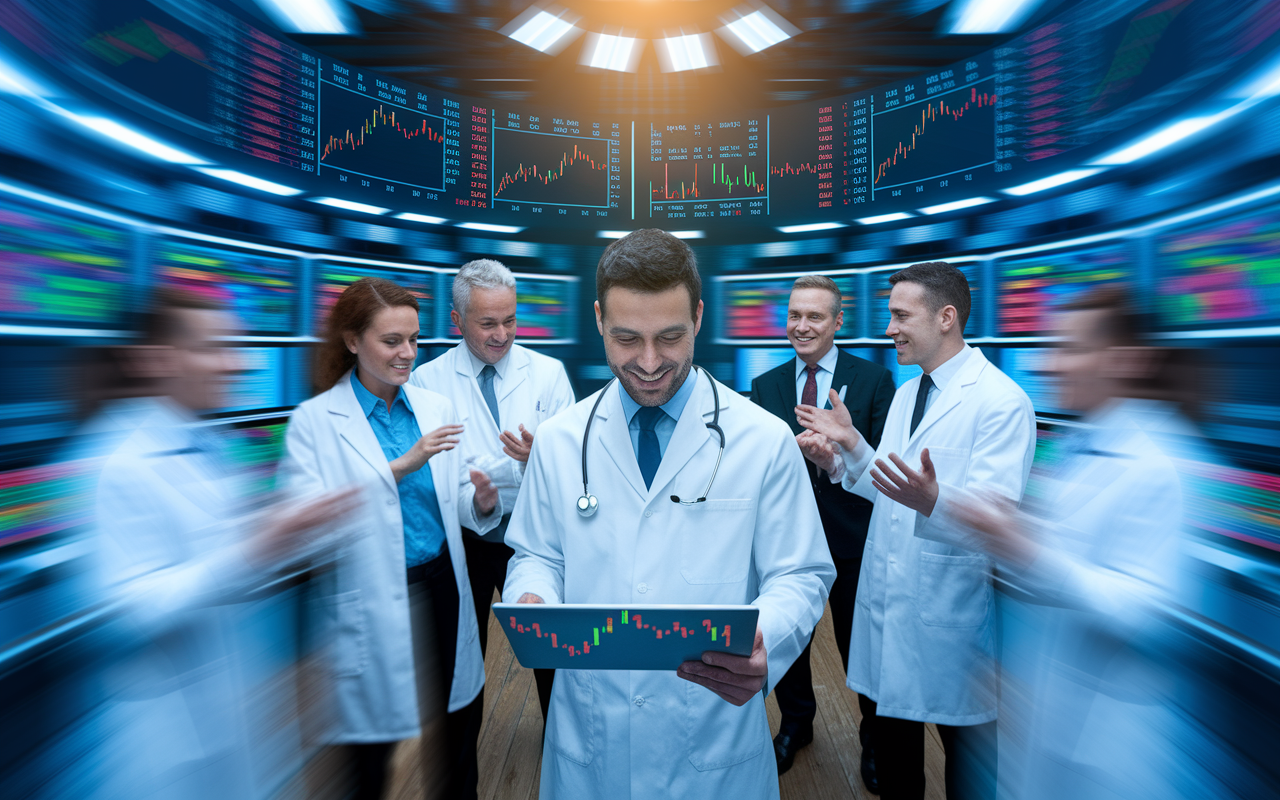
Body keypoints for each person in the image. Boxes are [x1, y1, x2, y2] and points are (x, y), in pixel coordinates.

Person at [502, 228, 836, 799]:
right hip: (592, 731)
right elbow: (537, 554)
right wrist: (533, 593)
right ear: (599, 320)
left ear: (700, 317)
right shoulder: (562, 441)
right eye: (628, 338)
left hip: (714, 735)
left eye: (671, 337)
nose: (651, 363)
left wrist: (767, 637)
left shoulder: (762, 438)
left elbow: (801, 573)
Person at [948, 287, 1218, 800]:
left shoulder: (1162, 465)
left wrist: (1025, 547)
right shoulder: (1084, 444)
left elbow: (1152, 613)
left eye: (1070, 349)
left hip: (1111, 745)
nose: (1051, 365)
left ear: (1125, 361)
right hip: (1051, 718)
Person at [90, 288, 359, 800]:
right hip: (165, 748)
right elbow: (129, 610)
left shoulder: (206, 445)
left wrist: (297, 532)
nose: (234, 364)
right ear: (156, 360)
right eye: (214, 348)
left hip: (231, 723)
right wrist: (258, 544)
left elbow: (232, 563)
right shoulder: (117, 463)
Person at [795, 261, 1036, 800]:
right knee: (897, 767)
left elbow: (996, 522)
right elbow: (892, 489)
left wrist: (935, 500)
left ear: (946, 317)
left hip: (951, 619)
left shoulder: (1001, 402)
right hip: (892, 613)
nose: (890, 329)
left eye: (901, 316)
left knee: (967, 772)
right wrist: (849, 451)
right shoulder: (909, 393)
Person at [280, 277, 501, 800]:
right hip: (370, 593)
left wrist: (481, 502)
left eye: (414, 340)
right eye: (391, 341)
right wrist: (402, 465)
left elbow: (454, 501)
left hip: (442, 582)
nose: (407, 354)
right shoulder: (314, 422)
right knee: (369, 745)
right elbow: (305, 522)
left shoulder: (436, 408)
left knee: (457, 720)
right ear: (353, 341)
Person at [411, 258, 575, 721]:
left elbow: (576, 466)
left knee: (551, 656)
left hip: (536, 539)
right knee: (465, 660)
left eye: (510, 320)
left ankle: (563, 754)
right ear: (457, 320)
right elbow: (444, 480)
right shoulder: (428, 383)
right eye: (488, 323)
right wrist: (478, 500)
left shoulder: (549, 375)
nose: (502, 334)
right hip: (467, 543)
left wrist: (536, 460)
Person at [748, 275, 895, 783]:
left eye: (814, 316)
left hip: (854, 539)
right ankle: (795, 724)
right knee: (789, 639)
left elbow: (882, 466)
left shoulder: (875, 380)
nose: (801, 325)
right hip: (786, 541)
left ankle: (873, 739)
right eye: (794, 315)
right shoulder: (765, 386)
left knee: (861, 644)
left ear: (837, 322)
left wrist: (837, 456)